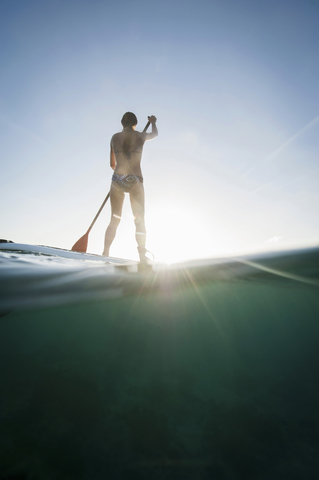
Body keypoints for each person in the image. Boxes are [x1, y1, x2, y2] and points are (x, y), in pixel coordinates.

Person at [103, 112, 158, 262]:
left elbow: (112, 164)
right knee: (139, 220)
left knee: (115, 219)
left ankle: (105, 252)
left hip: (117, 179)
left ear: (122, 123)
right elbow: (155, 133)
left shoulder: (114, 138)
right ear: (135, 123)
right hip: (135, 179)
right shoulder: (141, 136)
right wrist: (153, 121)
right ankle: (142, 254)